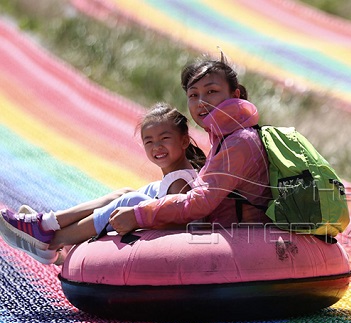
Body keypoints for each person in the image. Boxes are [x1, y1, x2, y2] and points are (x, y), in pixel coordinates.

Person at [0, 103, 205, 264]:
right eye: (149, 141)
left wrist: (135, 216)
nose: (157, 146)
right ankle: (46, 225)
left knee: (131, 199)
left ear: (184, 141)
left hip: (170, 243)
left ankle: (51, 240)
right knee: (125, 193)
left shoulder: (181, 183)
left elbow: (175, 223)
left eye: (164, 138)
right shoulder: (177, 177)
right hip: (157, 225)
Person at [108, 58, 272, 235]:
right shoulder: (226, 137)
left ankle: (74, 238)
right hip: (229, 234)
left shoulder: (239, 141)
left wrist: (139, 215)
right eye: (194, 95)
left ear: (235, 96)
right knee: (129, 196)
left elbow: (201, 202)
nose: (202, 102)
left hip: (244, 241)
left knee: (133, 201)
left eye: (211, 91)